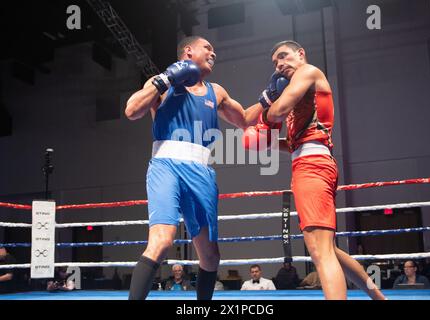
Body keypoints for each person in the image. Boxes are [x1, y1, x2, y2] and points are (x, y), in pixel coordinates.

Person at [244, 40, 386, 300]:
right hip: (310, 161)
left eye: (284, 56)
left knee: (319, 252)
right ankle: (379, 298)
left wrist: (267, 105)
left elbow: (278, 111)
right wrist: (268, 142)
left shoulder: (307, 72)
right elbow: (294, 139)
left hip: (312, 167)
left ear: (300, 54)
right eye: (275, 62)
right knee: (328, 248)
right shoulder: (300, 91)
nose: (279, 65)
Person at [125, 36, 264, 300]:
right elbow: (132, 111)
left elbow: (245, 119)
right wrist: (164, 79)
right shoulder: (162, 83)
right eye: (208, 48)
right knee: (162, 241)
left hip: (201, 171)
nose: (214, 53)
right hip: (166, 165)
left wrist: (270, 98)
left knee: (211, 256)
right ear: (188, 52)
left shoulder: (217, 91)